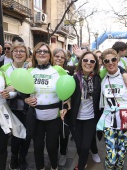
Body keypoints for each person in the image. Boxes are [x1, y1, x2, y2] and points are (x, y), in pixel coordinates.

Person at [24, 42, 67, 170]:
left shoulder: (58, 70)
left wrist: (67, 103)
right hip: (36, 116)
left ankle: (54, 166)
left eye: (45, 51)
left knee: (52, 146)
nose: (42, 53)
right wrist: (25, 99)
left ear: (50, 55)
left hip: (54, 116)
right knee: (37, 146)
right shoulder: (30, 71)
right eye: (39, 51)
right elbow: (23, 90)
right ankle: (40, 167)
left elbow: (68, 87)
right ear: (35, 54)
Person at [98, 48, 127, 170]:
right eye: (107, 61)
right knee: (111, 157)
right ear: (103, 63)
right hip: (109, 121)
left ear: (118, 59)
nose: (110, 62)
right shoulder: (101, 76)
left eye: (113, 59)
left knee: (121, 155)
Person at [62, 51, 101, 170]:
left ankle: (81, 166)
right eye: (85, 60)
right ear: (81, 62)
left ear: (95, 64)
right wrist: (64, 107)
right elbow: (66, 95)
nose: (88, 63)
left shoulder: (99, 78)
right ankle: (84, 159)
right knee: (79, 146)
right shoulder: (73, 78)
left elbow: (116, 68)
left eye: (92, 61)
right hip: (75, 118)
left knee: (85, 146)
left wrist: (125, 74)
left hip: (91, 118)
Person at [1, 44, 31, 170]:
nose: (18, 54)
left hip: (28, 107)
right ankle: (14, 157)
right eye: (16, 51)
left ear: (26, 55)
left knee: (27, 135)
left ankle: (23, 157)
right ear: (12, 53)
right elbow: (3, 87)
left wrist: (14, 88)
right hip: (10, 108)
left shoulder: (30, 68)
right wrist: (7, 92)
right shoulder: (4, 68)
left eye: (22, 51)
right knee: (16, 135)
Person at [53, 48, 76, 166]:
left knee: (64, 131)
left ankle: (63, 152)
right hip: (51, 106)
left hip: (65, 106)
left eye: (62, 57)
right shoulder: (48, 69)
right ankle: (54, 152)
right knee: (53, 132)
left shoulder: (70, 70)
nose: (59, 59)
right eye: (57, 56)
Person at [0, 70, 26, 170]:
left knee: (2, 146)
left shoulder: (2, 73)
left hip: (2, 113)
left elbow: (13, 90)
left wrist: (8, 94)